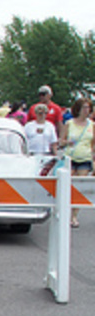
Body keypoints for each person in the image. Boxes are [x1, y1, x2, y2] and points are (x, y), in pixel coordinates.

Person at [61, 96, 92, 227]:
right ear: (78, 109)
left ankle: (74, 216)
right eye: (84, 107)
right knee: (69, 186)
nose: (87, 110)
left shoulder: (92, 125)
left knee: (80, 188)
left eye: (89, 107)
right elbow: (61, 141)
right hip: (71, 157)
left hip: (85, 158)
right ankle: (65, 212)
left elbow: (93, 144)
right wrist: (67, 142)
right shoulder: (70, 123)